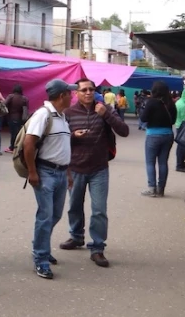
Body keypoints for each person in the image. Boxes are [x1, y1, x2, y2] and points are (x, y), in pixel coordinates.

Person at [60, 78, 130, 268]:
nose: (88, 93)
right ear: (77, 93)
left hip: (99, 169)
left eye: (91, 89)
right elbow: (60, 141)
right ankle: (76, 236)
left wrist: (107, 115)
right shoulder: (68, 113)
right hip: (75, 168)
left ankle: (97, 247)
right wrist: (73, 136)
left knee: (99, 210)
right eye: (84, 90)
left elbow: (124, 131)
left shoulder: (105, 109)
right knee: (74, 206)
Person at [24, 79, 77, 280]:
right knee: (45, 216)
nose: (72, 96)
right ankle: (41, 259)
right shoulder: (43, 115)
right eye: (69, 93)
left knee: (55, 215)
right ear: (61, 95)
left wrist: (68, 173)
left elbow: (64, 148)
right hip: (45, 173)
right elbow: (29, 144)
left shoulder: (62, 117)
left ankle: (41, 246)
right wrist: (32, 172)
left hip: (61, 173)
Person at [140, 80, 177, 197]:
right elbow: (174, 121)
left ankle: (152, 188)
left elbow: (144, 118)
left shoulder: (151, 102)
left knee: (150, 162)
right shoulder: (171, 103)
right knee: (163, 162)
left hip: (153, 135)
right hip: (168, 135)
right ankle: (161, 189)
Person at [5, 84, 29, 153]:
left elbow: (4, 104)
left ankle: (12, 147)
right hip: (20, 119)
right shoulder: (24, 99)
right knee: (18, 133)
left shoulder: (11, 97)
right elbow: (26, 109)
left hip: (11, 118)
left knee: (13, 133)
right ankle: (17, 146)